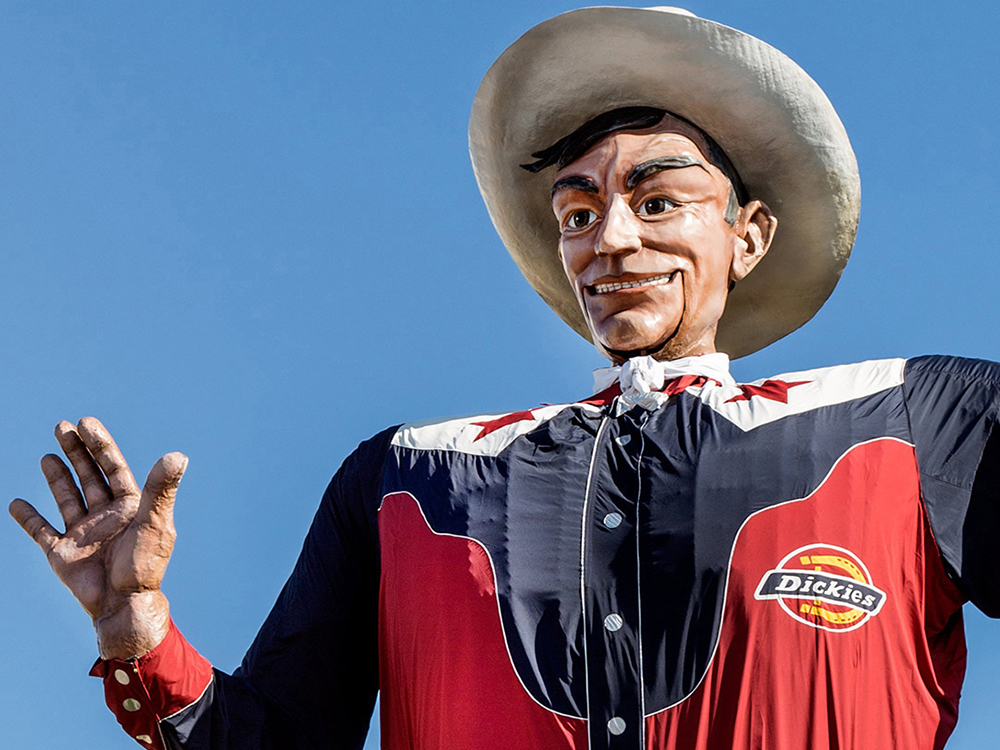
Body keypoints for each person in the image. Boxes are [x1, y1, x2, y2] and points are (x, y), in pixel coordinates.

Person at [10, 7, 999, 750]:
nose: (610, 239)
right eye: (576, 215)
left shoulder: (920, 422)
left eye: (656, 202)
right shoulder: (404, 478)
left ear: (748, 235)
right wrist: (137, 631)